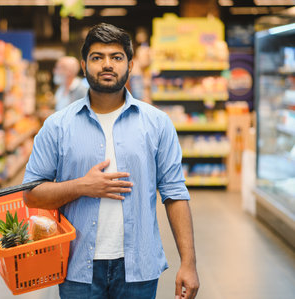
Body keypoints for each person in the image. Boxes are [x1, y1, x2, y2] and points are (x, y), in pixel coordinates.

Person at [23, 23, 199, 299]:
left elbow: (175, 194)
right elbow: (31, 194)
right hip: (76, 267)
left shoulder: (157, 124)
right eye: (97, 57)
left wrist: (188, 263)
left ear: (130, 64)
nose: (107, 65)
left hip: (139, 267)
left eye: (116, 57)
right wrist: (82, 186)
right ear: (84, 65)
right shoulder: (57, 126)